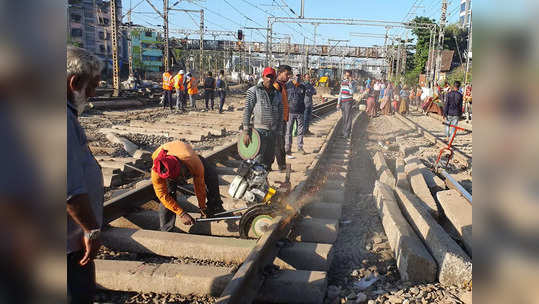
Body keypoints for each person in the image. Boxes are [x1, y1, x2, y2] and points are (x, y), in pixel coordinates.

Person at [67, 46, 104, 304]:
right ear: (74, 82)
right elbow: (69, 189)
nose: (92, 94)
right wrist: (91, 229)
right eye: (92, 86)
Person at [151, 140, 226, 231]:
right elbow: (162, 195)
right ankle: (167, 228)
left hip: (185, 154)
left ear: (182, 166)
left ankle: (215, 207)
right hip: (167, 157)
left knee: (211, 174)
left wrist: (203, 208)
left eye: (181, 176)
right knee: (169, 193)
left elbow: (200, 186)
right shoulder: (156, 172)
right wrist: (181, 213)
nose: (181, 178)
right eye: (178, 178)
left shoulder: (193, 161)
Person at [242, 67, 283, 170]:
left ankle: (263, 183)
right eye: (267, 76)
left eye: (272, 77)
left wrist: (279, 132)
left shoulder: (278, 94)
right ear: (263, 77)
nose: (269, 79)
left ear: (274, 79)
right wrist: (246, 132)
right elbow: (247, 111)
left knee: (268, 163)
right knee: (257, 162)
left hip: (272, 133)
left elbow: (280, 115)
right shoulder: (254, 91)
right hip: (259, 132)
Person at [273, 65, 292, 171]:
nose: (288, 77)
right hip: (278, 119)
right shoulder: (276, 86)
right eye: (286, 74)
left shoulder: (283, 85)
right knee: (279, 144)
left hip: (283, 118)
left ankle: (280, 165)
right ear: (279, 73)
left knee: (280, 143)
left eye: (289, 74)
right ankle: (281, 166)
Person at [285, 74, 307, 158]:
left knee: (300, 130)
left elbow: (303, 97)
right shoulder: (287, 86)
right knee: (288, 130)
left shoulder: (302, 87)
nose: (297, 79)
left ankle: (300, 147)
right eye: (295, 77)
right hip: (290, 112)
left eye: (299, 77)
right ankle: (288, 148)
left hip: (300, 111)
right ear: (292, 78)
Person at [337, 71, 356, 139]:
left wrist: (350, 83)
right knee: (344, 118)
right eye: (346, 75)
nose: (347, 77)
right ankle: (343, 132)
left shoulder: (353, 83)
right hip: (342, 101)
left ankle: (347, 133)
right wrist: (338, 103)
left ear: (350, 76)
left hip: (348, 102)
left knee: (348, 118)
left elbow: (351, 92)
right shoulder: (343, 82)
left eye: (348, 75)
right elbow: (340, 93)